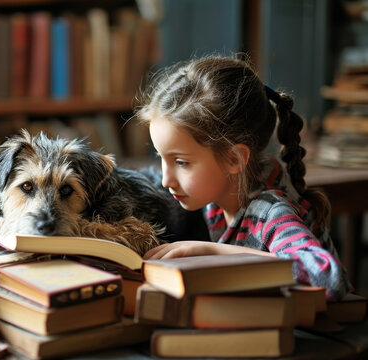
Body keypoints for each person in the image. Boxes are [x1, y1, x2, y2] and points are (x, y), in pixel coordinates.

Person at [136, 54, 351, 300]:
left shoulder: (269, 210)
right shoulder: (218, 200)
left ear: (234, 160)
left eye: (181, 162)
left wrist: (213, 251)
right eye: (161, 158)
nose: (166, 180)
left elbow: (329, 278)